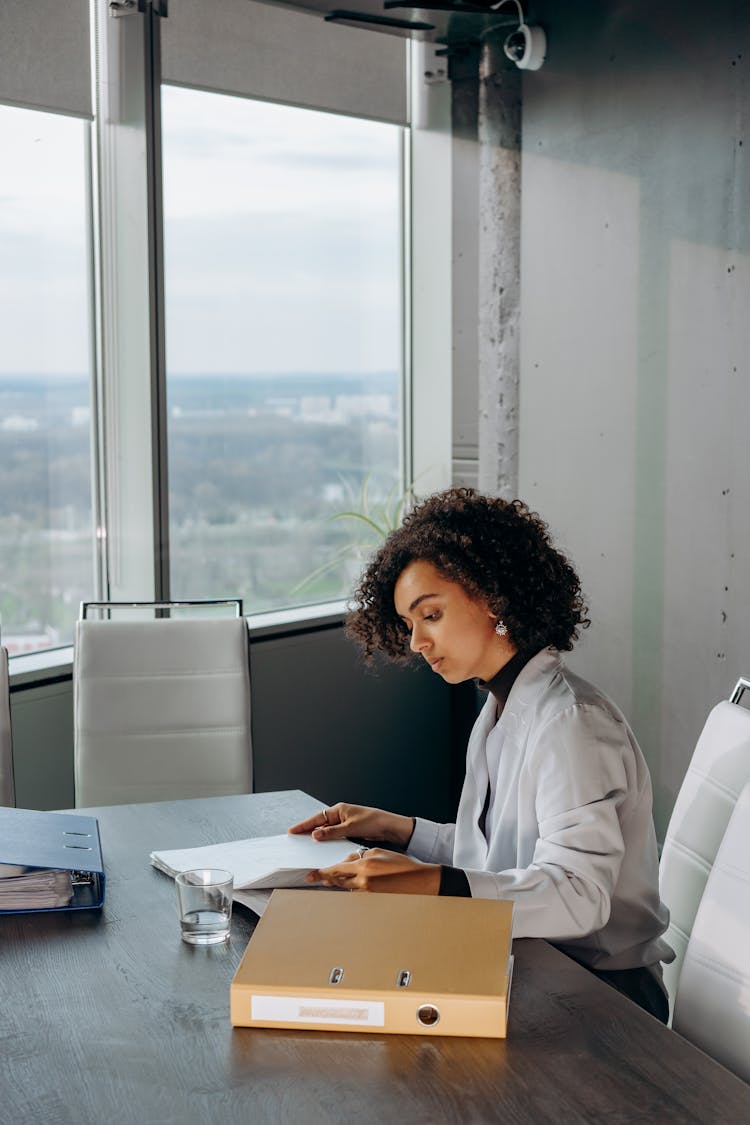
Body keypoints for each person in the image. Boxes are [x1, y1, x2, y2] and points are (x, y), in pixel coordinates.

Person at [289, 487, 674, 1021]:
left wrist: (435, 884)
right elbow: (500, 859)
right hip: (534, 967)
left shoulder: (572, 725)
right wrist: (398, 829)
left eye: (431, 615)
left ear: (492, 595)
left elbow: (579, 895)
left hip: (605, 1003)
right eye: (408, 625)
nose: (417, 642)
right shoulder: (501, 710)